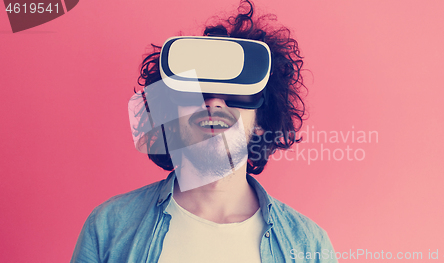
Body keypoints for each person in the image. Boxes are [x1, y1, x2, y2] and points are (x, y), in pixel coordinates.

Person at [70, 1, 337, 262]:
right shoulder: (108, 228)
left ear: (261, 120)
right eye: (196, 91)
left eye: (236, 92)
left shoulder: (310, 247)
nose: (214, 103)